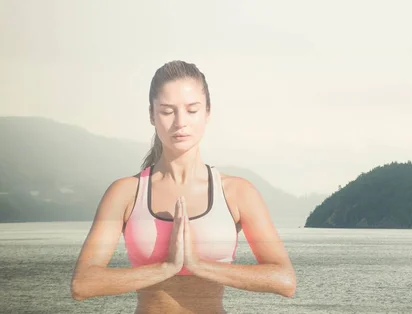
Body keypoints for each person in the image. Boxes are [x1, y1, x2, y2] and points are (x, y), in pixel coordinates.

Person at [70, 60, 296, 313]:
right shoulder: (126, 193)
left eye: (192, 110)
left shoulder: (237, 193)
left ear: (207, 112)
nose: (180, 122)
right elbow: (84, 284)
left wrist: (198, 265)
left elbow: (284, 281)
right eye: (167, 111)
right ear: (151, 115)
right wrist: (166, 267)